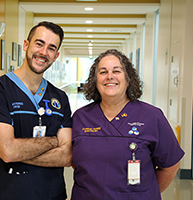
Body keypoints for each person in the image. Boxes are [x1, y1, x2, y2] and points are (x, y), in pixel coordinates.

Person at [0, 21, 72, 200]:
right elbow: (7, 151)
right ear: (26, 45)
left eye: (51, 48)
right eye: (39, 43)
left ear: (56, 55)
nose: (43, 52)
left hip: (52, 195)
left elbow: (66, 156)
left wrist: (16, 153)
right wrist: (52, 142)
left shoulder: (60, 98)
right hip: (7, 194)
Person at [71, 49, 184, 200]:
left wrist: (144, 194)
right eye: (103, 72)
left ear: (128, 78)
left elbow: (170, 167)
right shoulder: (81, 117)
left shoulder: (152, 116)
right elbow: (75, 161)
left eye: (116, 71)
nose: (109, 76)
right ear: (95, 80)